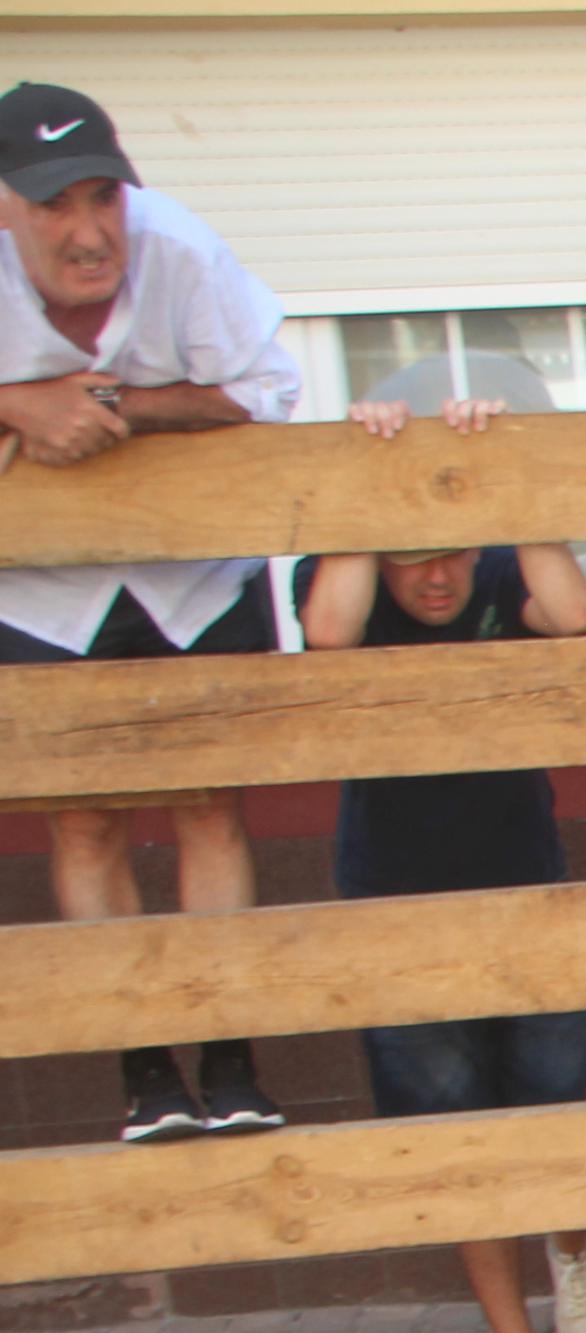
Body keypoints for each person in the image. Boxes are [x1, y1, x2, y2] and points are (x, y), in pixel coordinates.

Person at [291, 397, 586, 1333]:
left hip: (524, 876)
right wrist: (363, 470)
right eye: (409, 556)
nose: (436, 576)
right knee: (453, 1117)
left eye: (454, 553)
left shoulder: (502, 579)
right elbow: (328, 634)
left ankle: (573, 1248)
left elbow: (572, 616)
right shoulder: (346, 587)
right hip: (396, 893)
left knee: (551, 1091)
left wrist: (498, 469)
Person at [0, 83, 300, 1145]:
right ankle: (146, 1073)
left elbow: (270, 389)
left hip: (191, 572)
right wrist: (16, 402)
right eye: (52, 207)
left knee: (210, 804)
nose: (88, 233)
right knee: (83, 817)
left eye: (102, 198)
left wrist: (118, 407)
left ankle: (230, 1057)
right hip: (39, 586)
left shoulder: (179, 248)